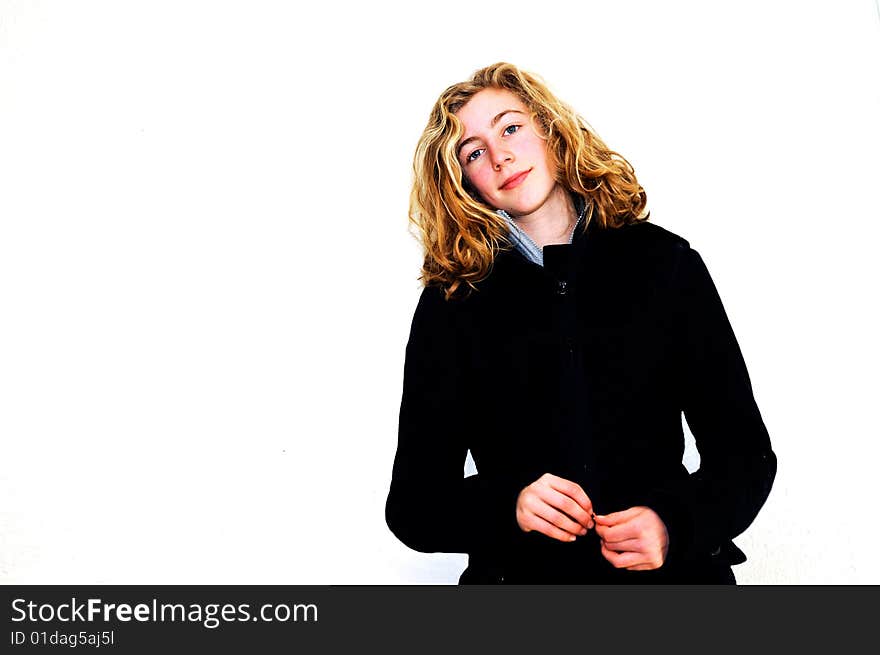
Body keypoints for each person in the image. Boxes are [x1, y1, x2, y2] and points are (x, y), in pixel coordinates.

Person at [385, 62, 776, 584]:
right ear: (463, 181)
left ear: (549, 128)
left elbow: (746, 456)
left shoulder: (666, 264)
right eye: (473, 151)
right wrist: (511, 506)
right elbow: (413, 505)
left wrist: (674, 523)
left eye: (511, 127)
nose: (500, 156)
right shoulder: (452, 302)